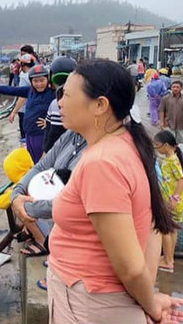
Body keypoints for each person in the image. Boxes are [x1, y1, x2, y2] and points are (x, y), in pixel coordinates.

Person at [49, 59, 182, 323]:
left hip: (88, 302)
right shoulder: (129, 143)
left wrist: (152, 308)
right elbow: (153, 224)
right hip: (96, 299)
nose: (60, 102)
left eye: (66, 94)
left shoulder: (102, 163)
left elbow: (131, 269)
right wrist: (149, 297)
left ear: (100, 105)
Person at [0, 65, 55, 163]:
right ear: (31, 82)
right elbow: (9, 90)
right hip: (29, 134)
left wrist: (49, 122)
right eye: (35, 81)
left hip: (41, 135)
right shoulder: (29, 91)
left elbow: (63, 111)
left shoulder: (53, 94)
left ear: (47, 80)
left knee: (41, 163)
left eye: (42, 80)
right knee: (32, 161)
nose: (39, 84)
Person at [154, 130, 183, 274]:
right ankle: (169, 258)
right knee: (172, 229)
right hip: (171, 200)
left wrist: (175, 198)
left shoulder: (172, 160)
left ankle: (167, 260)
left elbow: (181, 179)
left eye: (157, 145)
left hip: (172, 201)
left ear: (166, 145)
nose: (156, 148)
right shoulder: (168, 159)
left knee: (166, 228)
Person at [9, 54, 36, 143]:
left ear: (23, 65)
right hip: (36, 109)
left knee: (25, 137)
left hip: (25, 110)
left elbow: (22, 97)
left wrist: (14, 111)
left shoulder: (24, 77)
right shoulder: (38, 74)